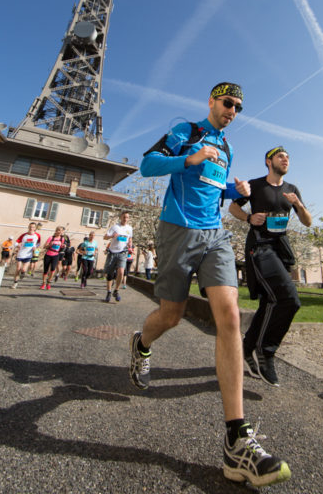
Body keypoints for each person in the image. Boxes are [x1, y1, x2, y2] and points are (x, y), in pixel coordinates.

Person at [129, 82, 291, 487]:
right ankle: (141, 344)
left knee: (230, 318)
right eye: (227, 103)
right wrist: (190, 156)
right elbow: (147, 165)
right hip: (176, 231)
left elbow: (210, 191)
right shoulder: (188, 132)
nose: (232, 110)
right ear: (212, 102)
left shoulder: (229, 148)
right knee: (171, 315)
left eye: (238, 106)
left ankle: (237, 439)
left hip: (215, 235)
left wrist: (231, 192)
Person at [229, 145, 312, 387]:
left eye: (288, 157)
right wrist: (248, 218)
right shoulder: (255, 185)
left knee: (270, 300)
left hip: (280, 248)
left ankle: (246, 349)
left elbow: (307, 222)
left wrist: (298, 205)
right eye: (280, 157)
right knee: (289, 299)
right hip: (260, 246)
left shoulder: (292, 189)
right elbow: (233, 207)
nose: (285, 160)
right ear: (268, 161)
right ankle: (265, 351)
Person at [103, 211, 133, 303]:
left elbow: (130, 238)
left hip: (123, 252)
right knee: (110, 274)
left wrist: (130, 246)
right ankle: (108, 292)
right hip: (112, 252)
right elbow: (105, 237)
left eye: (127, 217)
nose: (125, 219)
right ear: (121, 217)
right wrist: (112, 236)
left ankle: (116, 290)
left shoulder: (129, 228)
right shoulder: (115, 227)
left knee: (121, 271)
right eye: (124, 217)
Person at [11, 222, 41, 288]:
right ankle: (15, 283)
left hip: (28, 255)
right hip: (21, 254)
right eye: (30, 227)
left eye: (33, 227)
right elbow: (16, 242)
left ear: (35, 228)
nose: (31, 228)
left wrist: (35, 247)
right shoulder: (24, 235)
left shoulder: (37, 236)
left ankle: (23, 273)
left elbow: (38, 243)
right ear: (28, 227)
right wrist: (18, 245)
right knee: (18, 269)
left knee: (24, 269)